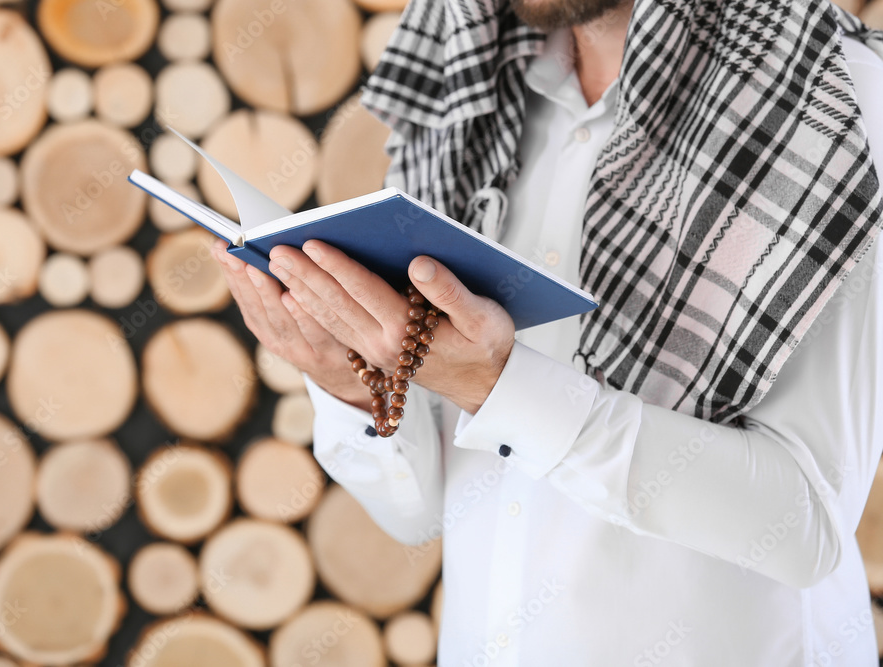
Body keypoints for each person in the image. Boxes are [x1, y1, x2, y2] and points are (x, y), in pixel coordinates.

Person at [212, 0, 883, 663]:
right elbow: (419, 516)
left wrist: (499, 387)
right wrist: (350, 384)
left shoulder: (838, 99)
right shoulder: (472, 99)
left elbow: (806, 528)